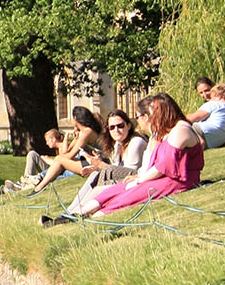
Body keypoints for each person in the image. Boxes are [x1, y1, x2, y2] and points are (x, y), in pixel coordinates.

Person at [66, 93, 204, 219]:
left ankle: (92, 216)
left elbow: (162, 167)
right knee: (114, 190)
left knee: (127, 196)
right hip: (160, 177)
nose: (148, 118)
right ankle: (75, 214)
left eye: (151, 114)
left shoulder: (180, 131)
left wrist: (138, 181)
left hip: (175, 182)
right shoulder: (169, 132)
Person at [25, 107, 111, 195]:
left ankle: (38, 187)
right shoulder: (83, 132)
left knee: (60, 160)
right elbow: (67, 151)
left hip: (97, 163)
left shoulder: (87, 132)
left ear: (75, 118)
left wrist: (53, 160)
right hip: (87, 161)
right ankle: (38, 184)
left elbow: (70, 155)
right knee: (60, 159)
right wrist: (71, 137)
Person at [187, 81, 225, 148]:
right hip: (209, 144)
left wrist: (188, 115)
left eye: (212, 97)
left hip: (198, 131)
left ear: (218, 96)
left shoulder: (215, 104)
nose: (210, 99)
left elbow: (191, 119)